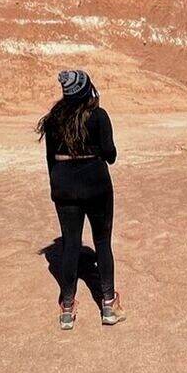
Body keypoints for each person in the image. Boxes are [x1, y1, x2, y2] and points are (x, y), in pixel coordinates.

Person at [38, 69, 124, 330]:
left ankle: (67, 309)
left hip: (64, 190)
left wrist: (60, 186)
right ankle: (108, 305)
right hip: (97, 187)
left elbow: (50, 160)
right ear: (88, 91)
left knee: (71, 245)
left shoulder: (53, 120)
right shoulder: (98, 116)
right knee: (102, 243)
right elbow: (110, 155)